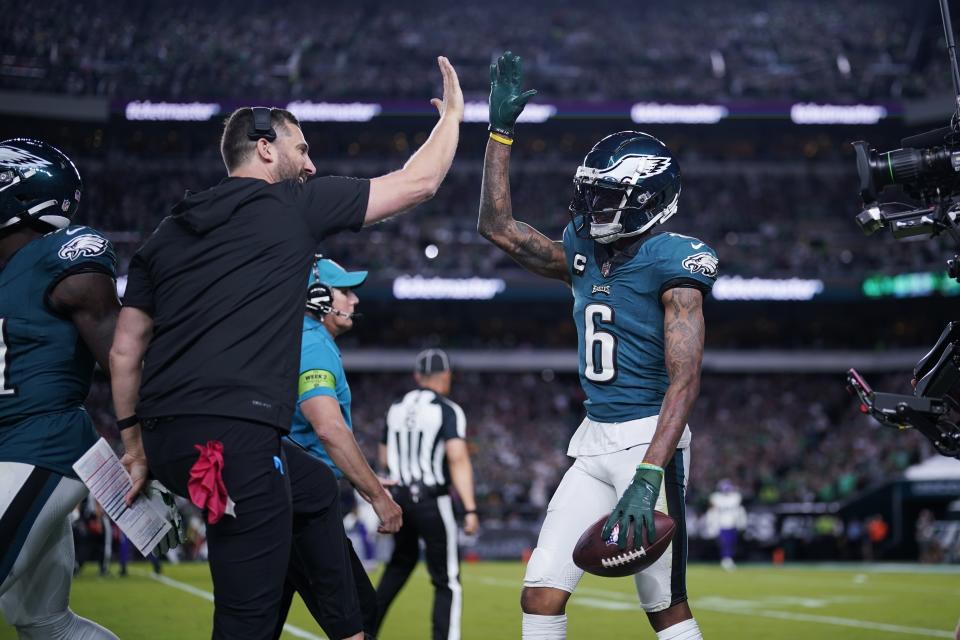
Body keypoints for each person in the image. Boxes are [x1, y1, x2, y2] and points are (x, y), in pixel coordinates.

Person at [110, 56, 462, 640]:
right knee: (248, 618)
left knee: (316, 488)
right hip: (231, 438)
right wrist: (452, 116)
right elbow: (417, 183)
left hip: (168, 436)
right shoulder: (292, 206)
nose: (312, 162)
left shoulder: (166, 230)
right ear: (265, 148)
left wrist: (134, 445)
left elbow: (126, 350)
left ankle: (350, 625)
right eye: (302, 149)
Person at [477, 52, 717, 640]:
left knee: (664, 608)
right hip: (592, 441)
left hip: (647, 442)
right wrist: (499, 134)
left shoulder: (675, 263)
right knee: (540, 592)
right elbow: (498, 227)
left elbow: (685, 380)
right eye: (592, 194)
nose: (592, 208)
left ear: (646, 198)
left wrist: (648, 477)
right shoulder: (583, 248)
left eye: (608, 196)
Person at [0, 138, 120, 639]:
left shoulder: (63, 257)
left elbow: (125, 362)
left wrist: (145, 445)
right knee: (42, 620)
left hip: (39, 446)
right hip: (13, 448)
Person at [277, 257, 399, 639]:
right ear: (315, 295)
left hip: (282, 498)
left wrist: (365, 476)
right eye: (345, 292)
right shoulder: (313, 343)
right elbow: (328, 428)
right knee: (354, 622)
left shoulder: (293, 338)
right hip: (306, 508)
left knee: (257, 625)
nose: (354, 301)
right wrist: (376, 495)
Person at [375, 348, 479, 640]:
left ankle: (364, 631)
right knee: (447, 580)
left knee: (398, 566)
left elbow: (383, 458)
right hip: (433, 499)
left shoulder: (395, 407)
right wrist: (470, 509)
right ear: (446, 376)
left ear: (417, 376)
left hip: (400, 497)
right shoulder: (447, 409)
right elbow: (457, 458)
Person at [705, 479, 746, 571]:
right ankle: (726, 560)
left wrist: (741, 522)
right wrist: (712, 525)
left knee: (732, 543)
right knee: (725, 543)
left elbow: (739, 510)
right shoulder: (716, 498)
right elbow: (712, 511)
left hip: (733, 523)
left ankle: (729, 559)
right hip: (722, 524)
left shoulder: (735, 497)